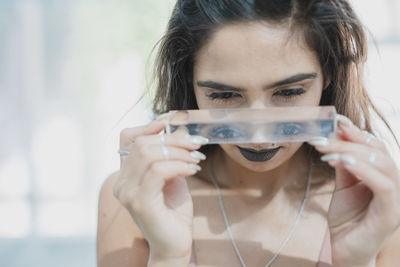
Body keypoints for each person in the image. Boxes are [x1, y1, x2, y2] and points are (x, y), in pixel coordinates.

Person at [96, 0, 400, 266]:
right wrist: (167, 256)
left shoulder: (376, 202)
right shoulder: (136, 199)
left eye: (290, 91)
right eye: (224, 96)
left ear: (329, 74)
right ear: (189, 82)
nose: (257, 137)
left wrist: (356, 262)